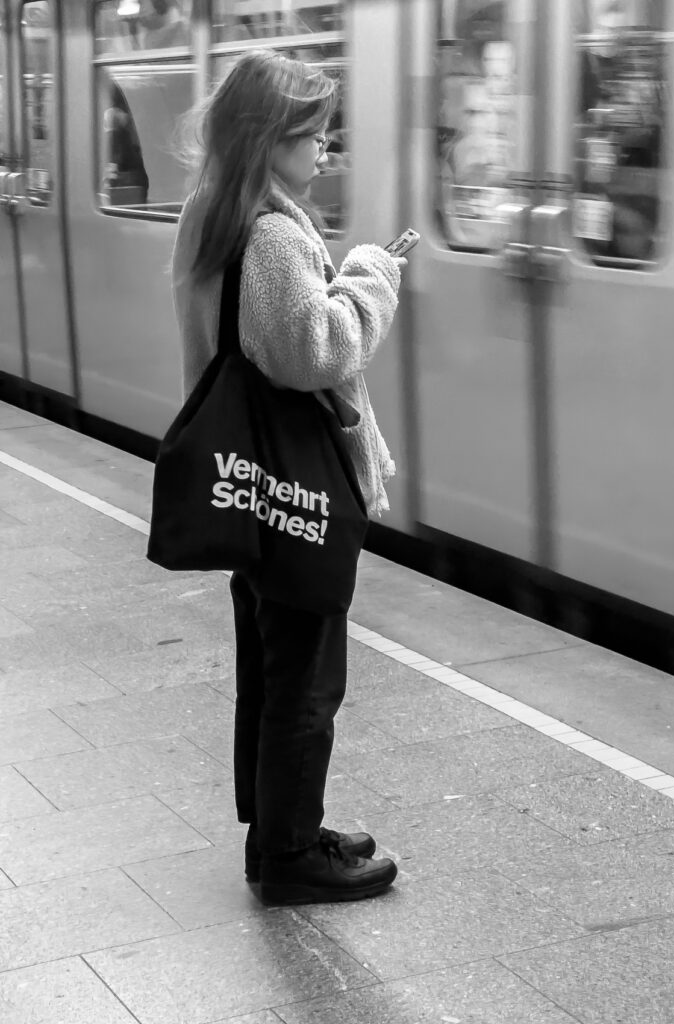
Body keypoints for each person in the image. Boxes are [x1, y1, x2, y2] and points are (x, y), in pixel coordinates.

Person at [171, 50, 404, 905]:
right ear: (271, 139)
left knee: (274, 669)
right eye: (314, 134)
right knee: (304, 680)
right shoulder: (268, 233)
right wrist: (371, 277)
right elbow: (312, 352)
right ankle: (291, 857)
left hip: (252, 483)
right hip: (292, 492)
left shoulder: (214, 214)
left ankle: (279, 833)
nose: (325, 150)